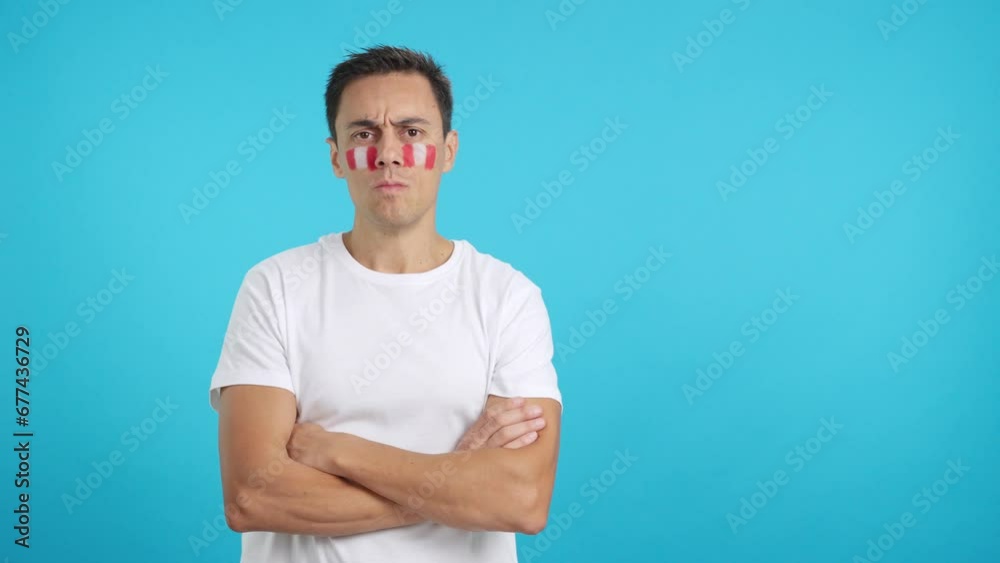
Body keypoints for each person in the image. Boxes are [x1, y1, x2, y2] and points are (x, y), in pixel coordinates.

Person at [209, 45, 564, 563]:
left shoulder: (507, 297)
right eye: (363, 133)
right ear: (336, 157)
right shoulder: (276, 286)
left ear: (448, 150)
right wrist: (455, 481)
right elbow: (252, 496)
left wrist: (337, 451)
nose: (388, 153)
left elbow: (522, 501)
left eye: (412, 131)